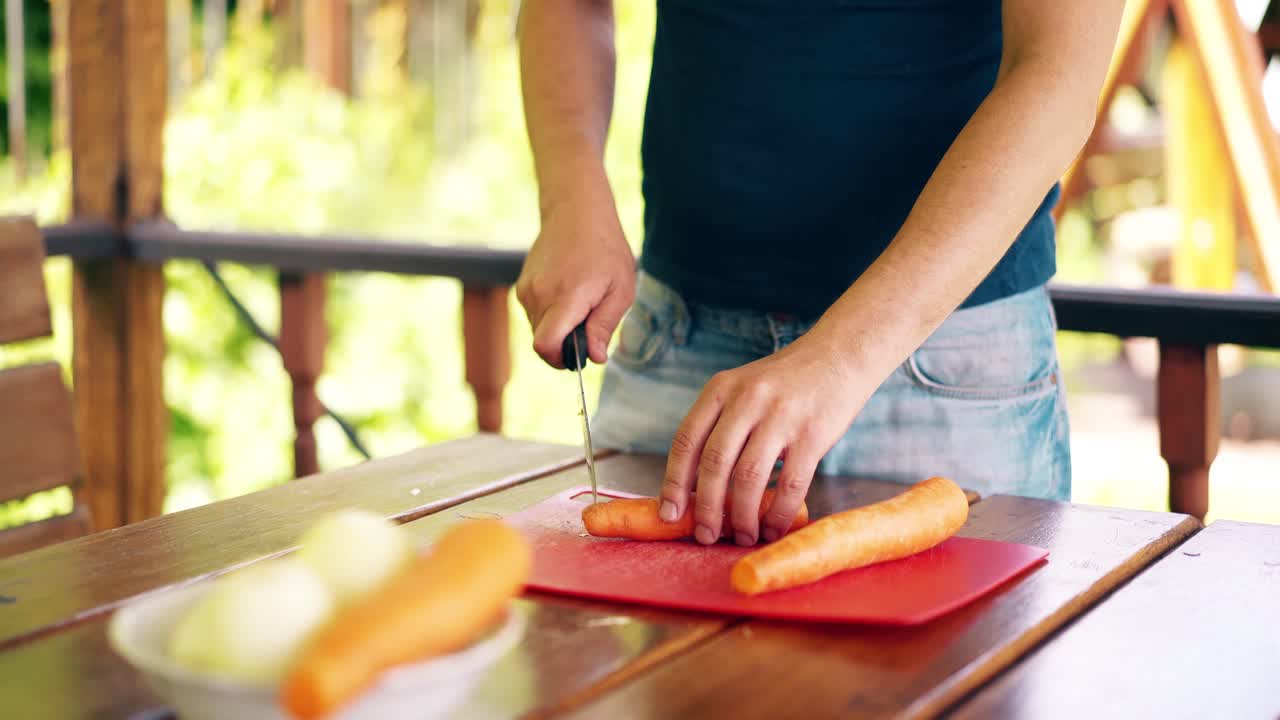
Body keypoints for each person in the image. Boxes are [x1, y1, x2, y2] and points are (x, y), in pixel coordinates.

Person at [514, 1, 1124, 548]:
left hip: (947, 366)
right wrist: (569, 199)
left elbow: (1058, 73)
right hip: (676, 346)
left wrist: (840, 356)